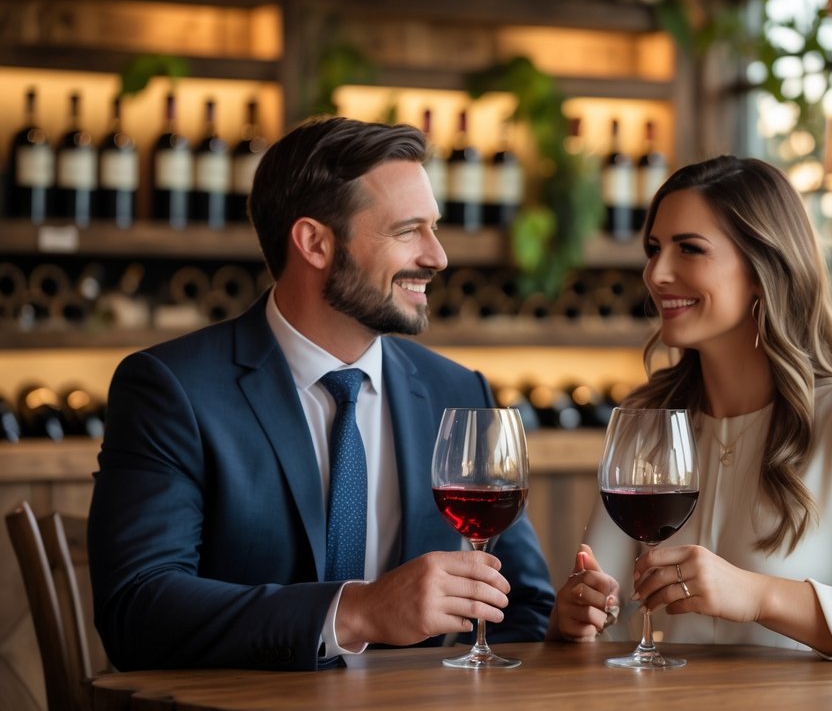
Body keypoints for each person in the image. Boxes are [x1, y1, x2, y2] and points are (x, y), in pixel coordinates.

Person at [89, 116, 554, 671]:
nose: (438, 256)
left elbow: (523, 607)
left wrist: (562, 628)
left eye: (434, 228)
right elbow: (136, 610)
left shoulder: (458, 392)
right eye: (408, 231)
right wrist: (357, 611)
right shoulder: (171, 389)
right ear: (315, 242)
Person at [548, 156, 832, 676]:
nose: (656, 274)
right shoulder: (645, 419)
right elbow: (600, 615)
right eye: (654, 249)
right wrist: (573, 618)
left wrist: (757, 596)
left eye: (689, 248)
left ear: (762, 269)